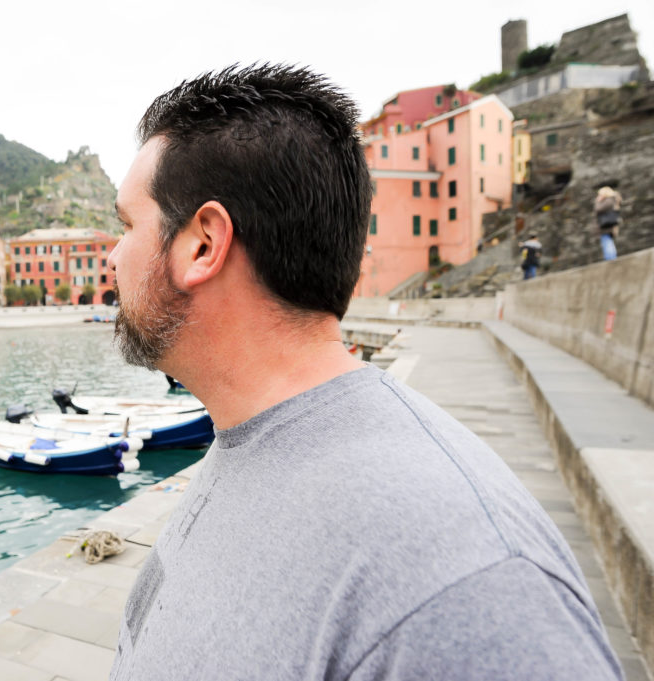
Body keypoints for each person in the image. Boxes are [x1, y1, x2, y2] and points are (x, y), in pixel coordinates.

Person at [107, 64, 622, 681]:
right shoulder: (247, 439)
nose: (113, 256)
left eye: (127, 226)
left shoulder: (464, 581)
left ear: (202, 245)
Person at [595, 186, 622, 261]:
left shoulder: (609, 201)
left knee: (607, 242)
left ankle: (611, 259)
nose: (599, 196)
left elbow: (598, 209)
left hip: (607, 226)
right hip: (608, 225)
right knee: (607, 241)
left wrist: (598, 201)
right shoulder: (611, 200)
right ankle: (611, 258)